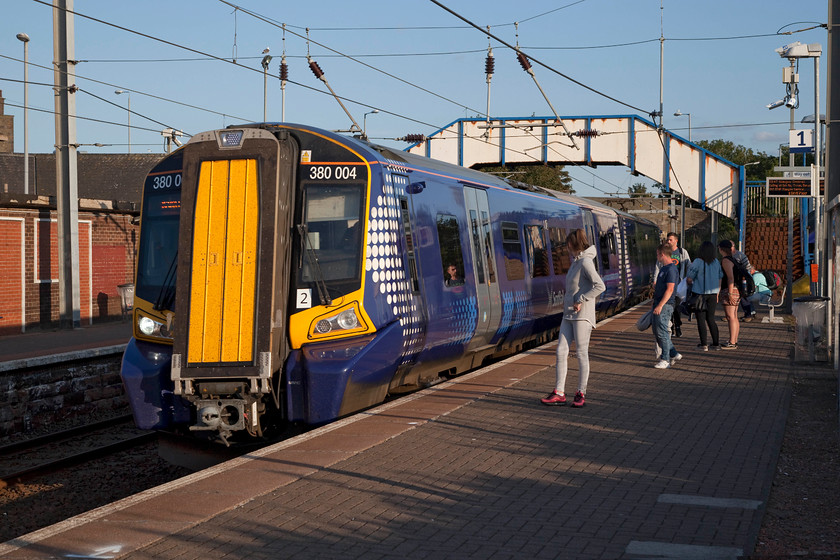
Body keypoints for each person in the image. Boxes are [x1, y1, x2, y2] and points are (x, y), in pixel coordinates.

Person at [541, 229, 605, 408]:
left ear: (574, 244)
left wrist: (581, 299)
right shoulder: (576, 262)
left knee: (581, 353)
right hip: (568, 314)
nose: (566, 247)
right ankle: (559, 392)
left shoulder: (585, 262)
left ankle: (580, 392)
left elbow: (600, 286)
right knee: (561, 350)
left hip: (582, 316)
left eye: (568, 243)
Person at [685, 241, 724, 351]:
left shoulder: (697, 262)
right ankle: (716, 344)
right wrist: (718, 292)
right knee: (711, 318)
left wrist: (689, 283)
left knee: (701, 319)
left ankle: (704, 344)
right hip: (713, 294)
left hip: (699, 294)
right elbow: (720, 277)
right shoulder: (716, 262)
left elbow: (689, 278)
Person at [652, 241, 683, 368]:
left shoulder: (671, 269)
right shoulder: (663, 269)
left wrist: (660, 305)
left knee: (662, 332)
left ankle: (665, 359)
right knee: (658, 331)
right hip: (658, 303)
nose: (657, 257)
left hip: (665, 305)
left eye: (658, 254)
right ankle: (674, 353)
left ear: (662, 254)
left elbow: (670, 289)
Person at [654, 232, 690, 337]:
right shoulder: (664, 251)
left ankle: (677, 326)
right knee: (669, 305)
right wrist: (655, 280)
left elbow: (689, 265)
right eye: (667, 240)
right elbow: (657, 266)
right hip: (667, 283)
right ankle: (672, 328)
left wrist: (687, 278)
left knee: (676, 307)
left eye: (670, 240)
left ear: (676, 241)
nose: (668, 241)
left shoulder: (682, 252)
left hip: (679, 284)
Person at [718, 240, 741, 349]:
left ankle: (732, 342)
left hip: (730, 289)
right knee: (734, 316)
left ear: (721, 249)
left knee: (730, 316)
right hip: (737, 289)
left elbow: (730, 277)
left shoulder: (726, 261)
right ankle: (734, 340)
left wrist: (730, 293)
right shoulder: (734, 259)